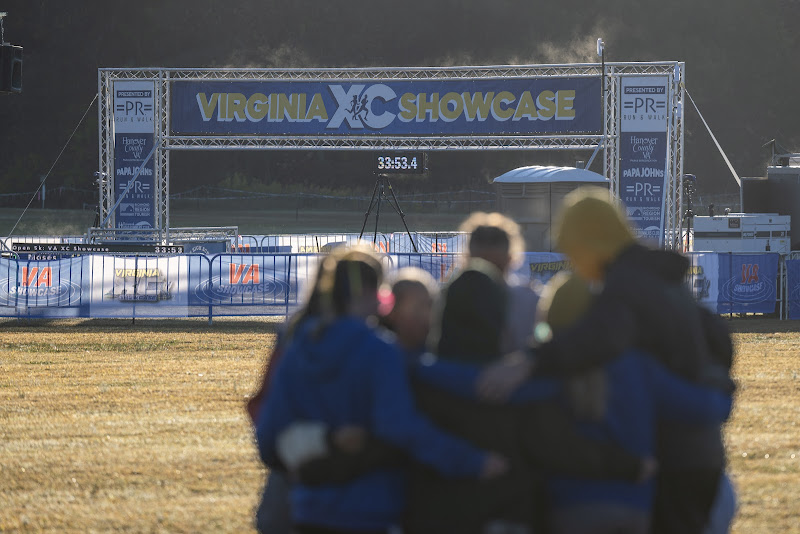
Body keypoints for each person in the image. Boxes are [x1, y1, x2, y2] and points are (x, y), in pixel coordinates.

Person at [477, 187, 736, 534]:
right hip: (698, 448)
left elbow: (601, 336)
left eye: (573, 249)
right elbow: (718, 335)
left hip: (676, 455)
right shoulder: (657, 278)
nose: (573, 260)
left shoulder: (626, 283)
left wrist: (531, 361)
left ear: (590, 242)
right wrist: (714, 378)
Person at [255, 246, 508, 534]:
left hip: (308, 509)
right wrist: (472, 461)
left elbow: (268, 438)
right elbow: (399, 426)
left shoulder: (297, 348)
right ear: (371, 293)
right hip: (370, 508)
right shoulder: (379, 351)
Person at [535, 272, 733, 534]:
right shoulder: (636, 366)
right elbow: (709, 408)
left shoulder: (540, 370)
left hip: (569, 505)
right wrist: (719, 378)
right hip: (633, 506)